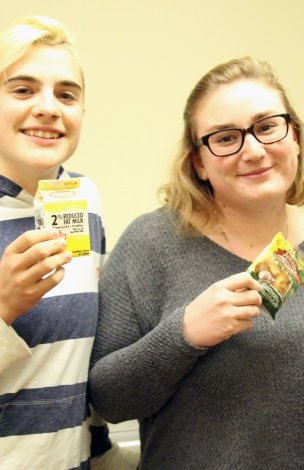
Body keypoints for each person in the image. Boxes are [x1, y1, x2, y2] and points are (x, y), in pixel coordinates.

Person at [89, 56, 304, 469]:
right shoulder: (151, 244)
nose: (254, 151)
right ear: (198, 162)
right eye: (225, 138)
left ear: (294, 135)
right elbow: (108, 399)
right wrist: (185, 334)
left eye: (267, 127)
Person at [0, 15, 138, 469]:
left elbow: (79, 358)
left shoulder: (85, 197)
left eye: (66, 94)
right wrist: (2, 309)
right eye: (22, 90)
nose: (48, 107)